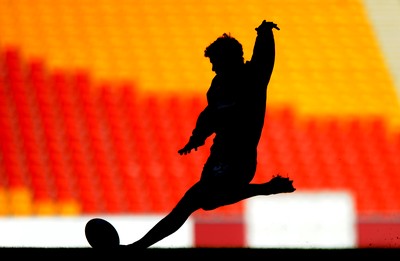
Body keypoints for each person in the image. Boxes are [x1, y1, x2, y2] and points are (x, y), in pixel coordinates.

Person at [121, 20, 295, 249]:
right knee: (206, 202)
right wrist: (197, 137)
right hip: (219, 155)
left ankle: (136, 247)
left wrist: (264, 33)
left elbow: (264, 59)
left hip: (240, 158)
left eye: (215, 63)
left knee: (195, 201)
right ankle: (266, 188)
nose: (213, 68)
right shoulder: (218, 85)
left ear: (229, 60)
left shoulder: (252, 78)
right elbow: (210, 115)